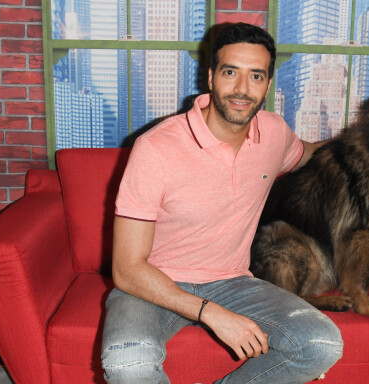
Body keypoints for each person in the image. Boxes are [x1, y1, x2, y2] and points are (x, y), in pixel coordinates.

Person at [101, 22, 343, 384]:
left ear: (268, 85)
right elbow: (127, 268)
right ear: (211, 77)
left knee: (321, 344)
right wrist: (210, 313)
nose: (242, 89)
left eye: (256, 76)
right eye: (231, 72)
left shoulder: (273, 133)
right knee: (127, 367)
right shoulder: (156, 149)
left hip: (231, 281)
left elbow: (308, 153)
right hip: (153, 283)